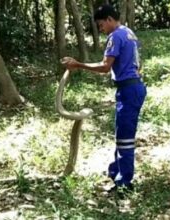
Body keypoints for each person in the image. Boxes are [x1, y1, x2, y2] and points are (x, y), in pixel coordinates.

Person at [61, 4, 146, 194]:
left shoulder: (115, 36)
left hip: (129, 90)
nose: (101, 29)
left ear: (109, 19)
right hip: (134, 87)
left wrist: (78, 65)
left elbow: (105, 67)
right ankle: (115, 170)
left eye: (101, 25)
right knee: (121, 132)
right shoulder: (128, 32)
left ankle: (124, 184)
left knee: (124, 138)